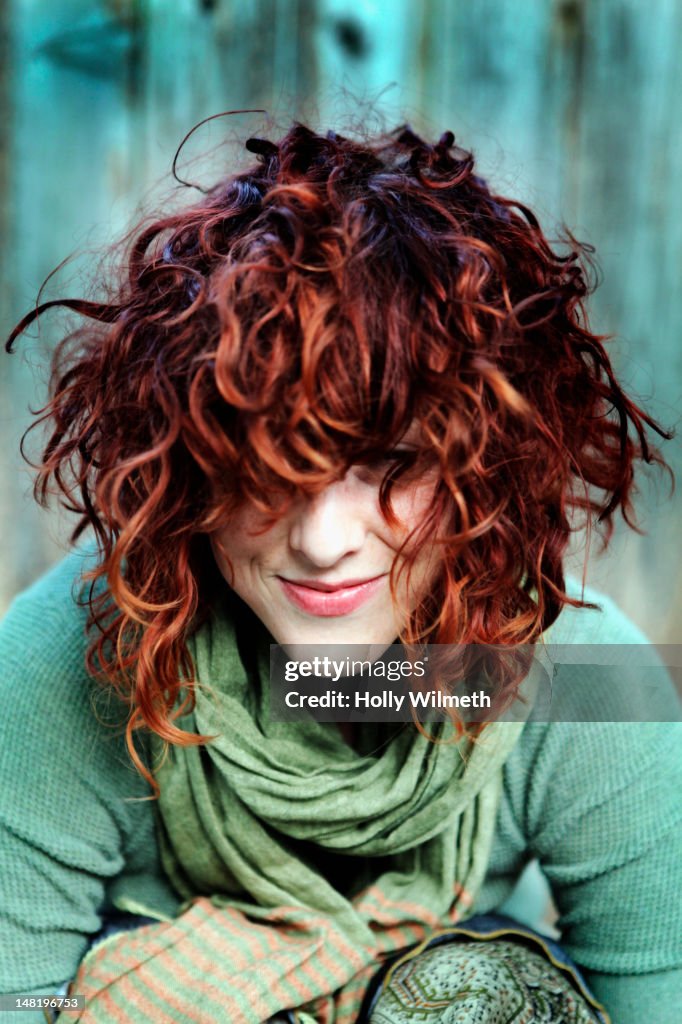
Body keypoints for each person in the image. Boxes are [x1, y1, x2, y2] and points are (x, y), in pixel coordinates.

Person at [1, 121, 680, 1024]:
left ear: (487, 464)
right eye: (268, 467)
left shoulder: (593, 686)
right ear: (184, 462)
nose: (322, 541)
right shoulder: (65, 660)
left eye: (392, 464)